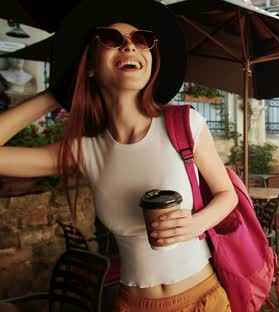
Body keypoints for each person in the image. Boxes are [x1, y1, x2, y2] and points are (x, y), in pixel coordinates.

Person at [0, 0, 237, 311]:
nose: (129, 46)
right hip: (130, 304)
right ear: (89, 66)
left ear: (151, 60)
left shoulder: (185, 124)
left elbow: (227, 194)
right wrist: (58, 92)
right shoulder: (83, 151)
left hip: (203, 299)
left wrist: (196, 225)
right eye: (111, 40)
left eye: (141, 40)